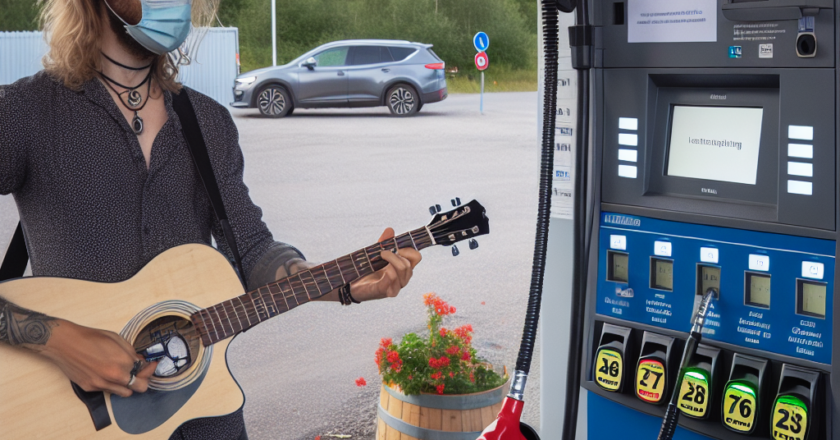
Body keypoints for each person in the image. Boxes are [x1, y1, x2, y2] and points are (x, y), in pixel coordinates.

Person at [0, 0, 422, 439]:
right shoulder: (23, 113)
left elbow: (252, 248)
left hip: (206, 417)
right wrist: (57, 340)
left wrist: (343, 284)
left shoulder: (208, 122)